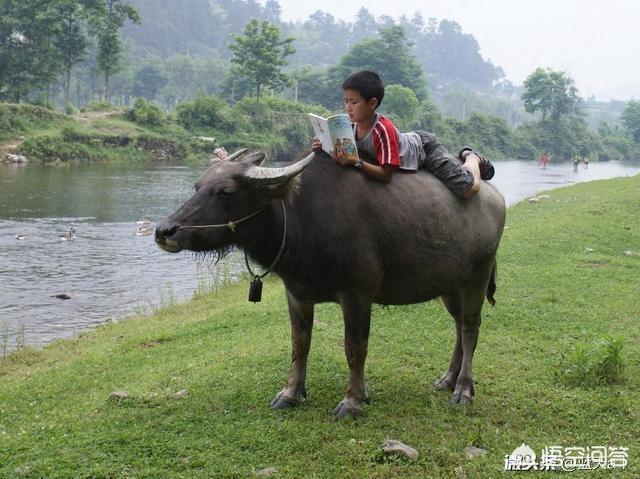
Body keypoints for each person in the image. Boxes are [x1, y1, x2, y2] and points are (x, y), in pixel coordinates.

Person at [311, 71, 494, 199]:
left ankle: (472, 157)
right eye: (345, 101)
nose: (347, 107)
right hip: (406, 139)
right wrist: (323, 145)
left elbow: (386, 175)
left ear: (372, 103)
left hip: (424, 148)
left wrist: (357, 163)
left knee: (469, 188)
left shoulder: (383, 130)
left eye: (353, 102)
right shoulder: (349, 127)